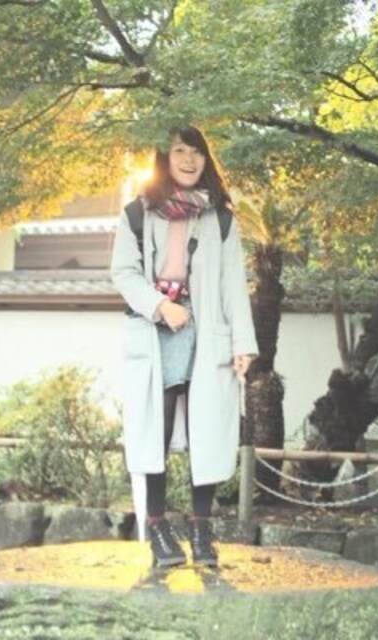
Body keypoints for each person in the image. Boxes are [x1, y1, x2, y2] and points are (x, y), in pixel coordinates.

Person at [111, 125, 258, 568]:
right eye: (179, 151)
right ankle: (157, 527)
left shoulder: (221, 219)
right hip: (155, 330)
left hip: (207, 330)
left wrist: (243, 343)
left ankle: (201, 527)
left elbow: (233, 285)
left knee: (206, 431)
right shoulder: (137, 214)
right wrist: (160, 307)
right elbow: (124, 272)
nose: (189, 160)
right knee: (153, 431)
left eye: (196, 152)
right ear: (165, 158)